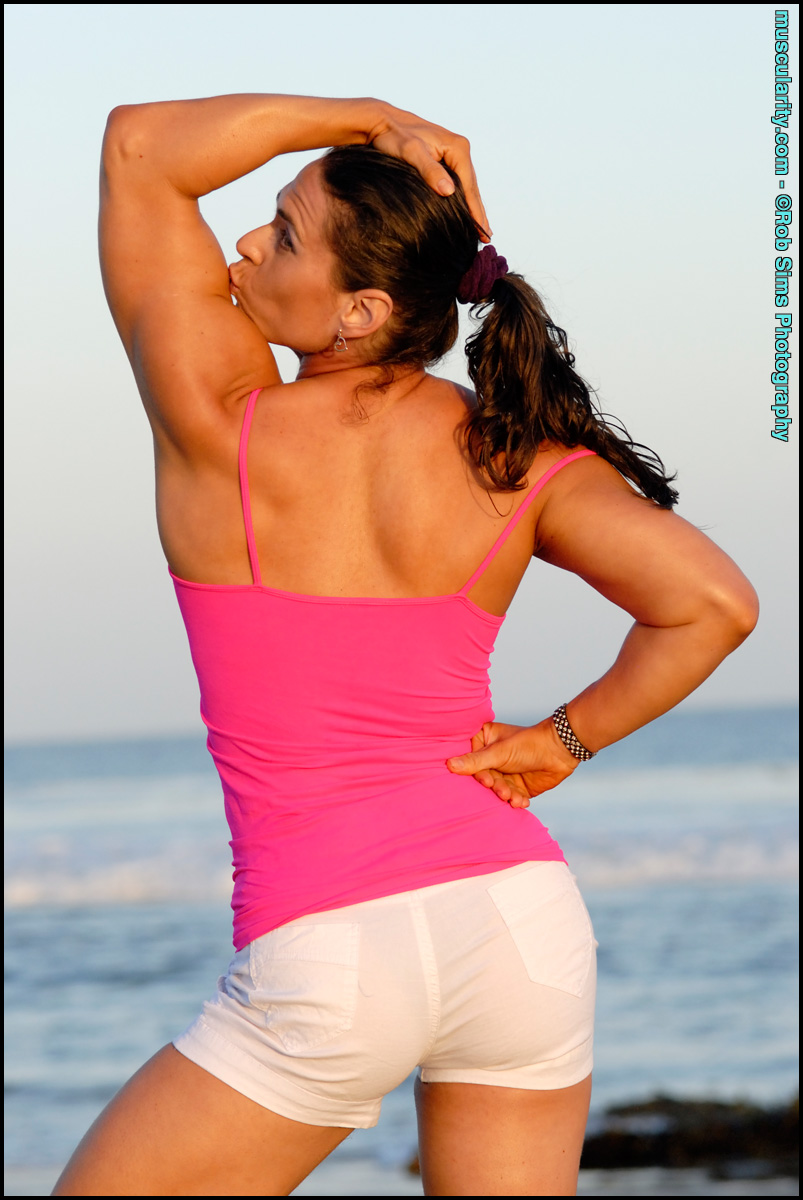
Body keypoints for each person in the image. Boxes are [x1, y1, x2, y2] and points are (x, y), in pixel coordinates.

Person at [52, 94, 758, 1198]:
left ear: (362, 310)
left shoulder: (216, 421)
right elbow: (712, 604)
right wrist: (563, 742)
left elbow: (139, 149)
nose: (247, 242)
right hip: (516, 928)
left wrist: (370, 118)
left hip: (331, 950)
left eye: (285, 233)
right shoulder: (514, 454)